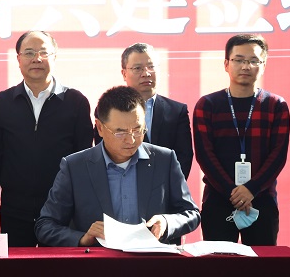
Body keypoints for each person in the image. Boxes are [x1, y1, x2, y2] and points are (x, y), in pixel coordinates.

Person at [35, 86, 200, 247]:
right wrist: (83, 239)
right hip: (99, 262)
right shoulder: (75, 167)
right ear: (100, 128)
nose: (131, 140)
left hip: (151, 260)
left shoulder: (165, 160)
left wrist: (166, 222)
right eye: (120, 132)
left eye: (138, 130)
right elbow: (45, 225)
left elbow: (191, 214)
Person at [0, 31, 93, 246]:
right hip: (15, 209)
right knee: (17, 266)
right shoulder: (3, 102)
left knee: (57, 266)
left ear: (55, 57)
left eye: (44, 52)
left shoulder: (76, 102)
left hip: (61, 210)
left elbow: (84, 160)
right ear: (18, 59)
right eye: (29, 53)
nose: (37, 59)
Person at [193, 34, 290, 246]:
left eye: (254, 60)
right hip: (218, 198)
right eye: (238, 60)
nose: (246, 66)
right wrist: (233, 192)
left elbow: (278, 155)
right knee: (218, 263)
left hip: (262, 199)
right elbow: (205, 155)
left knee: (262, 263)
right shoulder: (207, 105)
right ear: (226, 64)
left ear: (263, 65)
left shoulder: (276, 105)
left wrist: (251, 189)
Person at [94, 43, 193, 179]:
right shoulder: (108, 109)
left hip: (164, 187)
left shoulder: (176, 111)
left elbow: (184, 156)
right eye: (137, 68)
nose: (146, 74)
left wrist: (168, 186)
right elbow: (103, 152)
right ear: (124, 73)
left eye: (151, 67)